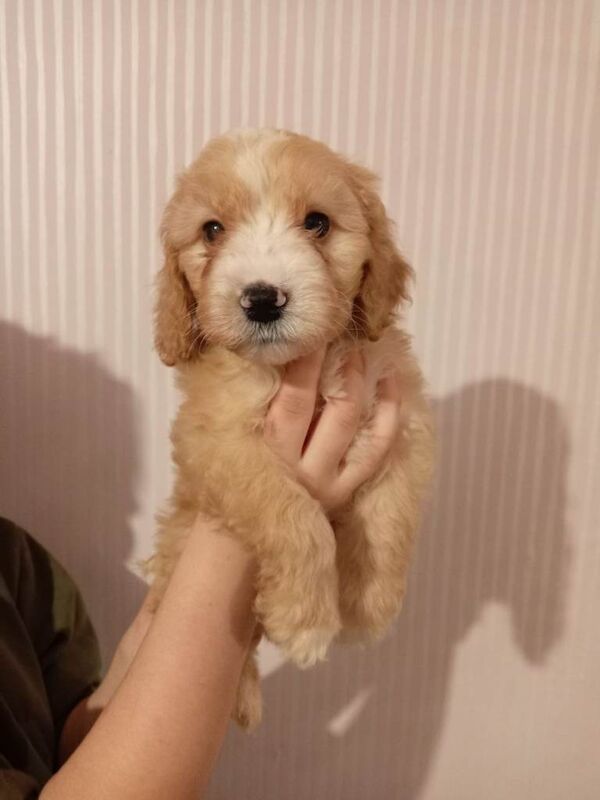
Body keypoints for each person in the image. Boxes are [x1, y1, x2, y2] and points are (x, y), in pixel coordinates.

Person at [0, 349, 400, 799]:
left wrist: (182, 590)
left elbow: (72, 745)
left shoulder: (19, 565)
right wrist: (248, 520)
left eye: (129, 501)